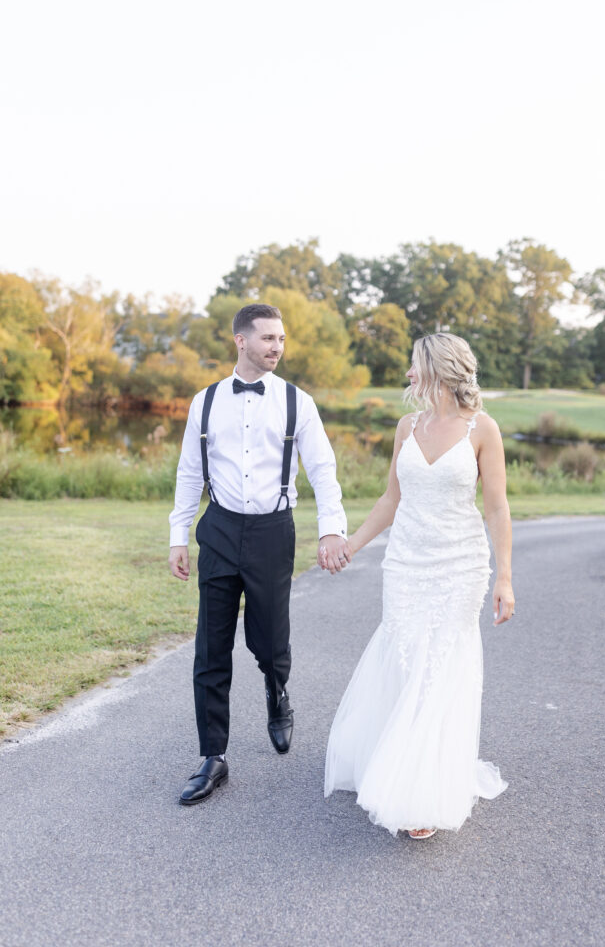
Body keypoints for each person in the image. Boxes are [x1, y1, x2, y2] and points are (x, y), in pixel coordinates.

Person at [324, 332, 514, 839]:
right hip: (406, 563)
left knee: (440, 668)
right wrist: (351, 544)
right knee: (408, 660)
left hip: (459, 565)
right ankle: (397, 763)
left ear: (438, 371)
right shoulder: (406, 426)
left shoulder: (482, 429)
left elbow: (495, 506)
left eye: (414, 367)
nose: (408, 375)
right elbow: (391, 499)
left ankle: (425, 790)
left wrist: (506, 577)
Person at [169, 303, 349, 806]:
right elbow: (189, 473)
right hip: (220, 529)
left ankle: (277, 689)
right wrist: (178, 536)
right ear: (240, 341)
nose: (277, 347)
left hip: (273, 531)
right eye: (268, 338)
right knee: (211, 647)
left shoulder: (298, 403)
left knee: (269, 641)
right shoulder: (204, 403)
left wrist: (331, 530)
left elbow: (323, 470)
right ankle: (213, 756)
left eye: (282, 339)